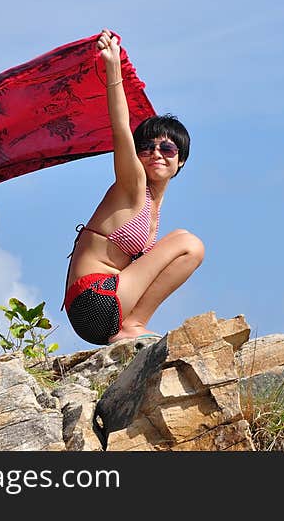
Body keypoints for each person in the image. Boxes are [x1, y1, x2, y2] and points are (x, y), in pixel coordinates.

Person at [62, 29, 204, 345]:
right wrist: (113, 70)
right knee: (190, 243)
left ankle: (133, 324)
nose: (156, 153)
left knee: (182, 239)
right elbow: (120, 129)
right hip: (94, 301)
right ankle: (134, 324)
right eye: (147, 147)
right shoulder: (133, 185)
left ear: (180, 161)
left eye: (167, 149)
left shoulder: (155, 203)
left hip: (105, 303)